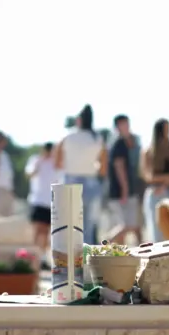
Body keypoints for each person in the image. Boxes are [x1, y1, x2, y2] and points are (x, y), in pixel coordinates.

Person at [54, 105, 107, 245]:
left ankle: (66, 264)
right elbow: (103, 169)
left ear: (79, 120)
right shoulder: (98, 138)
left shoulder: (67, 136)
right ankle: (85, 263)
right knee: (88, 226)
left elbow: (57, 163)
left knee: (66, 225)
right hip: (91, 183)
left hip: (69, 181)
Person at [140, 119, 169, 243]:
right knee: (157, 235)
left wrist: (164, 184)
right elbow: (148, 176)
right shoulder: (148, 152)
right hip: (156, 195)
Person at [107, 115, 142, 245]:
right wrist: (125, 189)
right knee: (127, 226)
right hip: (121, 192)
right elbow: (119, 166)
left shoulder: (127, 142)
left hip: (126, 191)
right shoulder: (119, 143)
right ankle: (102, 245)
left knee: (129, 226)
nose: (126, 126)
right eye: (123, 124)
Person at [25, 142, 59, 268]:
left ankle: (42, 257)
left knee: (46, 231)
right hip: (37, 200)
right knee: (37, 230)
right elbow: (30, 174)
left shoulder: (56, 163)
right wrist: (40, 161)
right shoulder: (35, 160)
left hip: (51, 201)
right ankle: (33, 257)